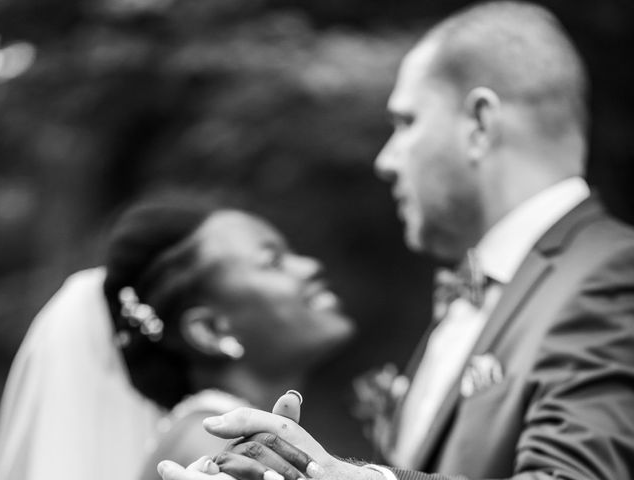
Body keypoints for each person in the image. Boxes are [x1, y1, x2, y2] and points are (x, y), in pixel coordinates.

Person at [155, 2, 634, 480]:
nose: (386, 160)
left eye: (407, 123)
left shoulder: (615, 272)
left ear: (480, 123)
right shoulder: (479, 295)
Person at [0, 192, 354, 480]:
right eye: (272, 261)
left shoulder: (206, 435)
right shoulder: (218, 448)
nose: (310, 266)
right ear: (210, 330)